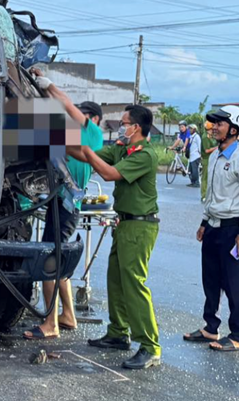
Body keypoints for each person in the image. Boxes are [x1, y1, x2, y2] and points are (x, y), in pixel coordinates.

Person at [69, 104, 161, 370]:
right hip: (125, 223)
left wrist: (85, 151)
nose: (121, 127)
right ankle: (119, 332)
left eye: (124, 123)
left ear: (137, 128)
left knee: (134, 284)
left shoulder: (146, 155)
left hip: (141, 227)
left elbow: (109, 173)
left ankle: (150, 346)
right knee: (116, 281)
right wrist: (59, 145)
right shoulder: (124, 148)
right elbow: (93, 156)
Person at [23, 72, 104, 340]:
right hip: (65, 205)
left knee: (49, 261)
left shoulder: (92, 134)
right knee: (60, 263)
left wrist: (48, 84)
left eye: (80, 117)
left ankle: (50, 324)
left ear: (92, 120)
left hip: (66, 207)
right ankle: (67, 316)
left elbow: (66, 103)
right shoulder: (76, 138)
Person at [183, 105, 239, 352]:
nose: (214, 127)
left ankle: (237, 335)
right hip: (213, 227)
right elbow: (212, 194)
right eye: (213, 123)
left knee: (234, 282)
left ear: (234, 129)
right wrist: (204, 222)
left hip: (233, 229)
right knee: (211, 279)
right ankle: (210, 327)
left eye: (220, 123)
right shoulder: (215, 155)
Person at [187, 123, 202, 188]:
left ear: (194, 129)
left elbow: (199, 146)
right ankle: (192, 182)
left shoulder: (197, 137)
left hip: (196, 156)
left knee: (195, 170)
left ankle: (196, 183)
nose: (189, 130)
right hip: (191, 156)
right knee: (190, 171)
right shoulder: (190, 137)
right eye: (189, 129)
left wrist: (200, 154)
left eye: (191, 129)